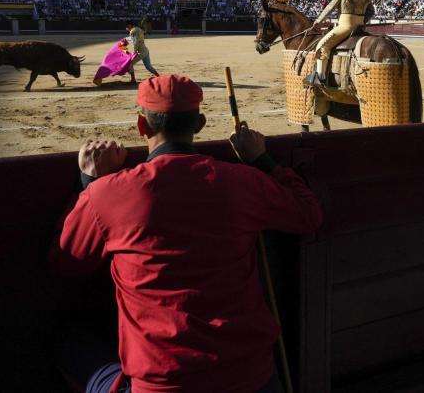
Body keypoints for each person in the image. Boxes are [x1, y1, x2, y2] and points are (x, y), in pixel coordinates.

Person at [49, 74, 323, 392]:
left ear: (142, 126)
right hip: (252, 377)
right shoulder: (243, 180)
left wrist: (88, 183)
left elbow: (66, 263)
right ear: (200, 124)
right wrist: (262, 160)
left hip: (164, 385)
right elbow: (309, 215)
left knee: (68, 342)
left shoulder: (108, 193)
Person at [304, 0, 373, 87]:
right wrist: (363, 21)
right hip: (360, 27)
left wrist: (318, 21)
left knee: (322, 46)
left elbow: (330, 7)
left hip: (346, 26)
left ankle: (319, 77)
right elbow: (371, 11)